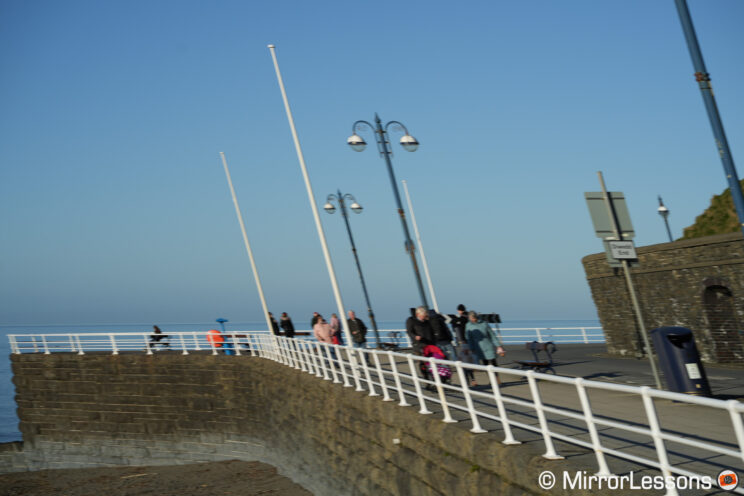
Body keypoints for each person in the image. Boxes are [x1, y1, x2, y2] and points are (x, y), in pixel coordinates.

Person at [465, 310, 505, 384]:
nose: (473, 320)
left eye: (473, 318)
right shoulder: (468, 325)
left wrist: (498, 346)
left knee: (493, 363)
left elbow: (492, 335)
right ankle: (491, 379)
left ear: (476, 317)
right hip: (479, 348)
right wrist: (471, 348)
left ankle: (497, 378)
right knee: (485, 364)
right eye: (471, 318)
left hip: (488, 345)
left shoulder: (484, 324)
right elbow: (469, 338)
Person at [405, 306, 434, 382]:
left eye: (424, 316)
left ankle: (433, 378)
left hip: (429, 344)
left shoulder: (427, 322)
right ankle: (426, 379)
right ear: (418, 314)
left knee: (431, 362)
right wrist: (415, 337)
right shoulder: (411, 320)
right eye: (422, 316)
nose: (423, 318)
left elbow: (432, 332)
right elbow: (409, 331)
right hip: (418, 345)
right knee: (423, 363)